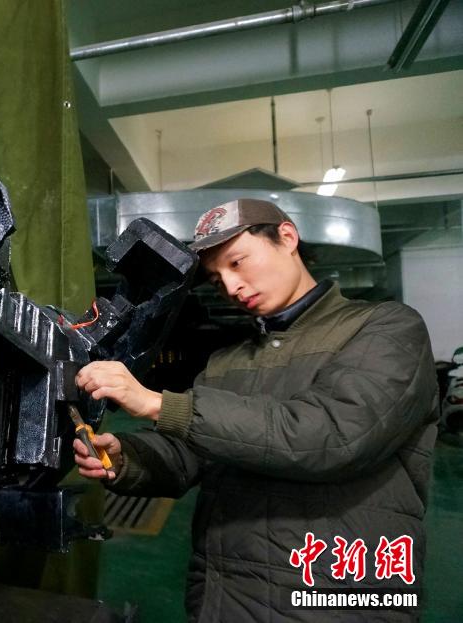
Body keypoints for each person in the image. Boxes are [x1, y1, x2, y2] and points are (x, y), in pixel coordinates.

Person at [74, 198, 439, 621]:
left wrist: (158, 403)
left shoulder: (385, 329)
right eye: (216, 279)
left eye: (238, 262)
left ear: (287, 238)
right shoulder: (228, 361)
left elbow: (332, 436)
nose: (230, 287)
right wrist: (125, 458)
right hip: (225, 599)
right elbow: (189, 456)